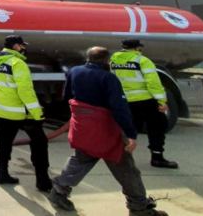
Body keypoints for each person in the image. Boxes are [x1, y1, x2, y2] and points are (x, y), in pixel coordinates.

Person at [49, 47, 166, 215]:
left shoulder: (74, 72)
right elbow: (119, 108)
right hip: (105, 129)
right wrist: (131, 134)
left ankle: (58, 192)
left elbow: (68, 96)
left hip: (83, 126)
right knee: (126, 168)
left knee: (81, 159)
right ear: (106, 61)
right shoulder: (108, 78)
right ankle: (139, 207)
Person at [0, 35, 51, 192]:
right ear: (16, 46)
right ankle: (43, 182)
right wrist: (37, 113)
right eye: (22, 45)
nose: (24, 48)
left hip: (3, 110)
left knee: (3, 143)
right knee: (40, 144)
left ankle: (1, 174)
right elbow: (25, 91)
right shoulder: (18, 63)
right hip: (22, 113)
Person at [110, 39, 177, 169]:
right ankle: (157, 158)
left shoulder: (114, 61)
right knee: (157, 127)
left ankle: (121, 158)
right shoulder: (143, 61)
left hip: (125, 101)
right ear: (137, 48)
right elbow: (153, 83)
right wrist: (162, 101)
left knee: (127, 129)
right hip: (145, 101)